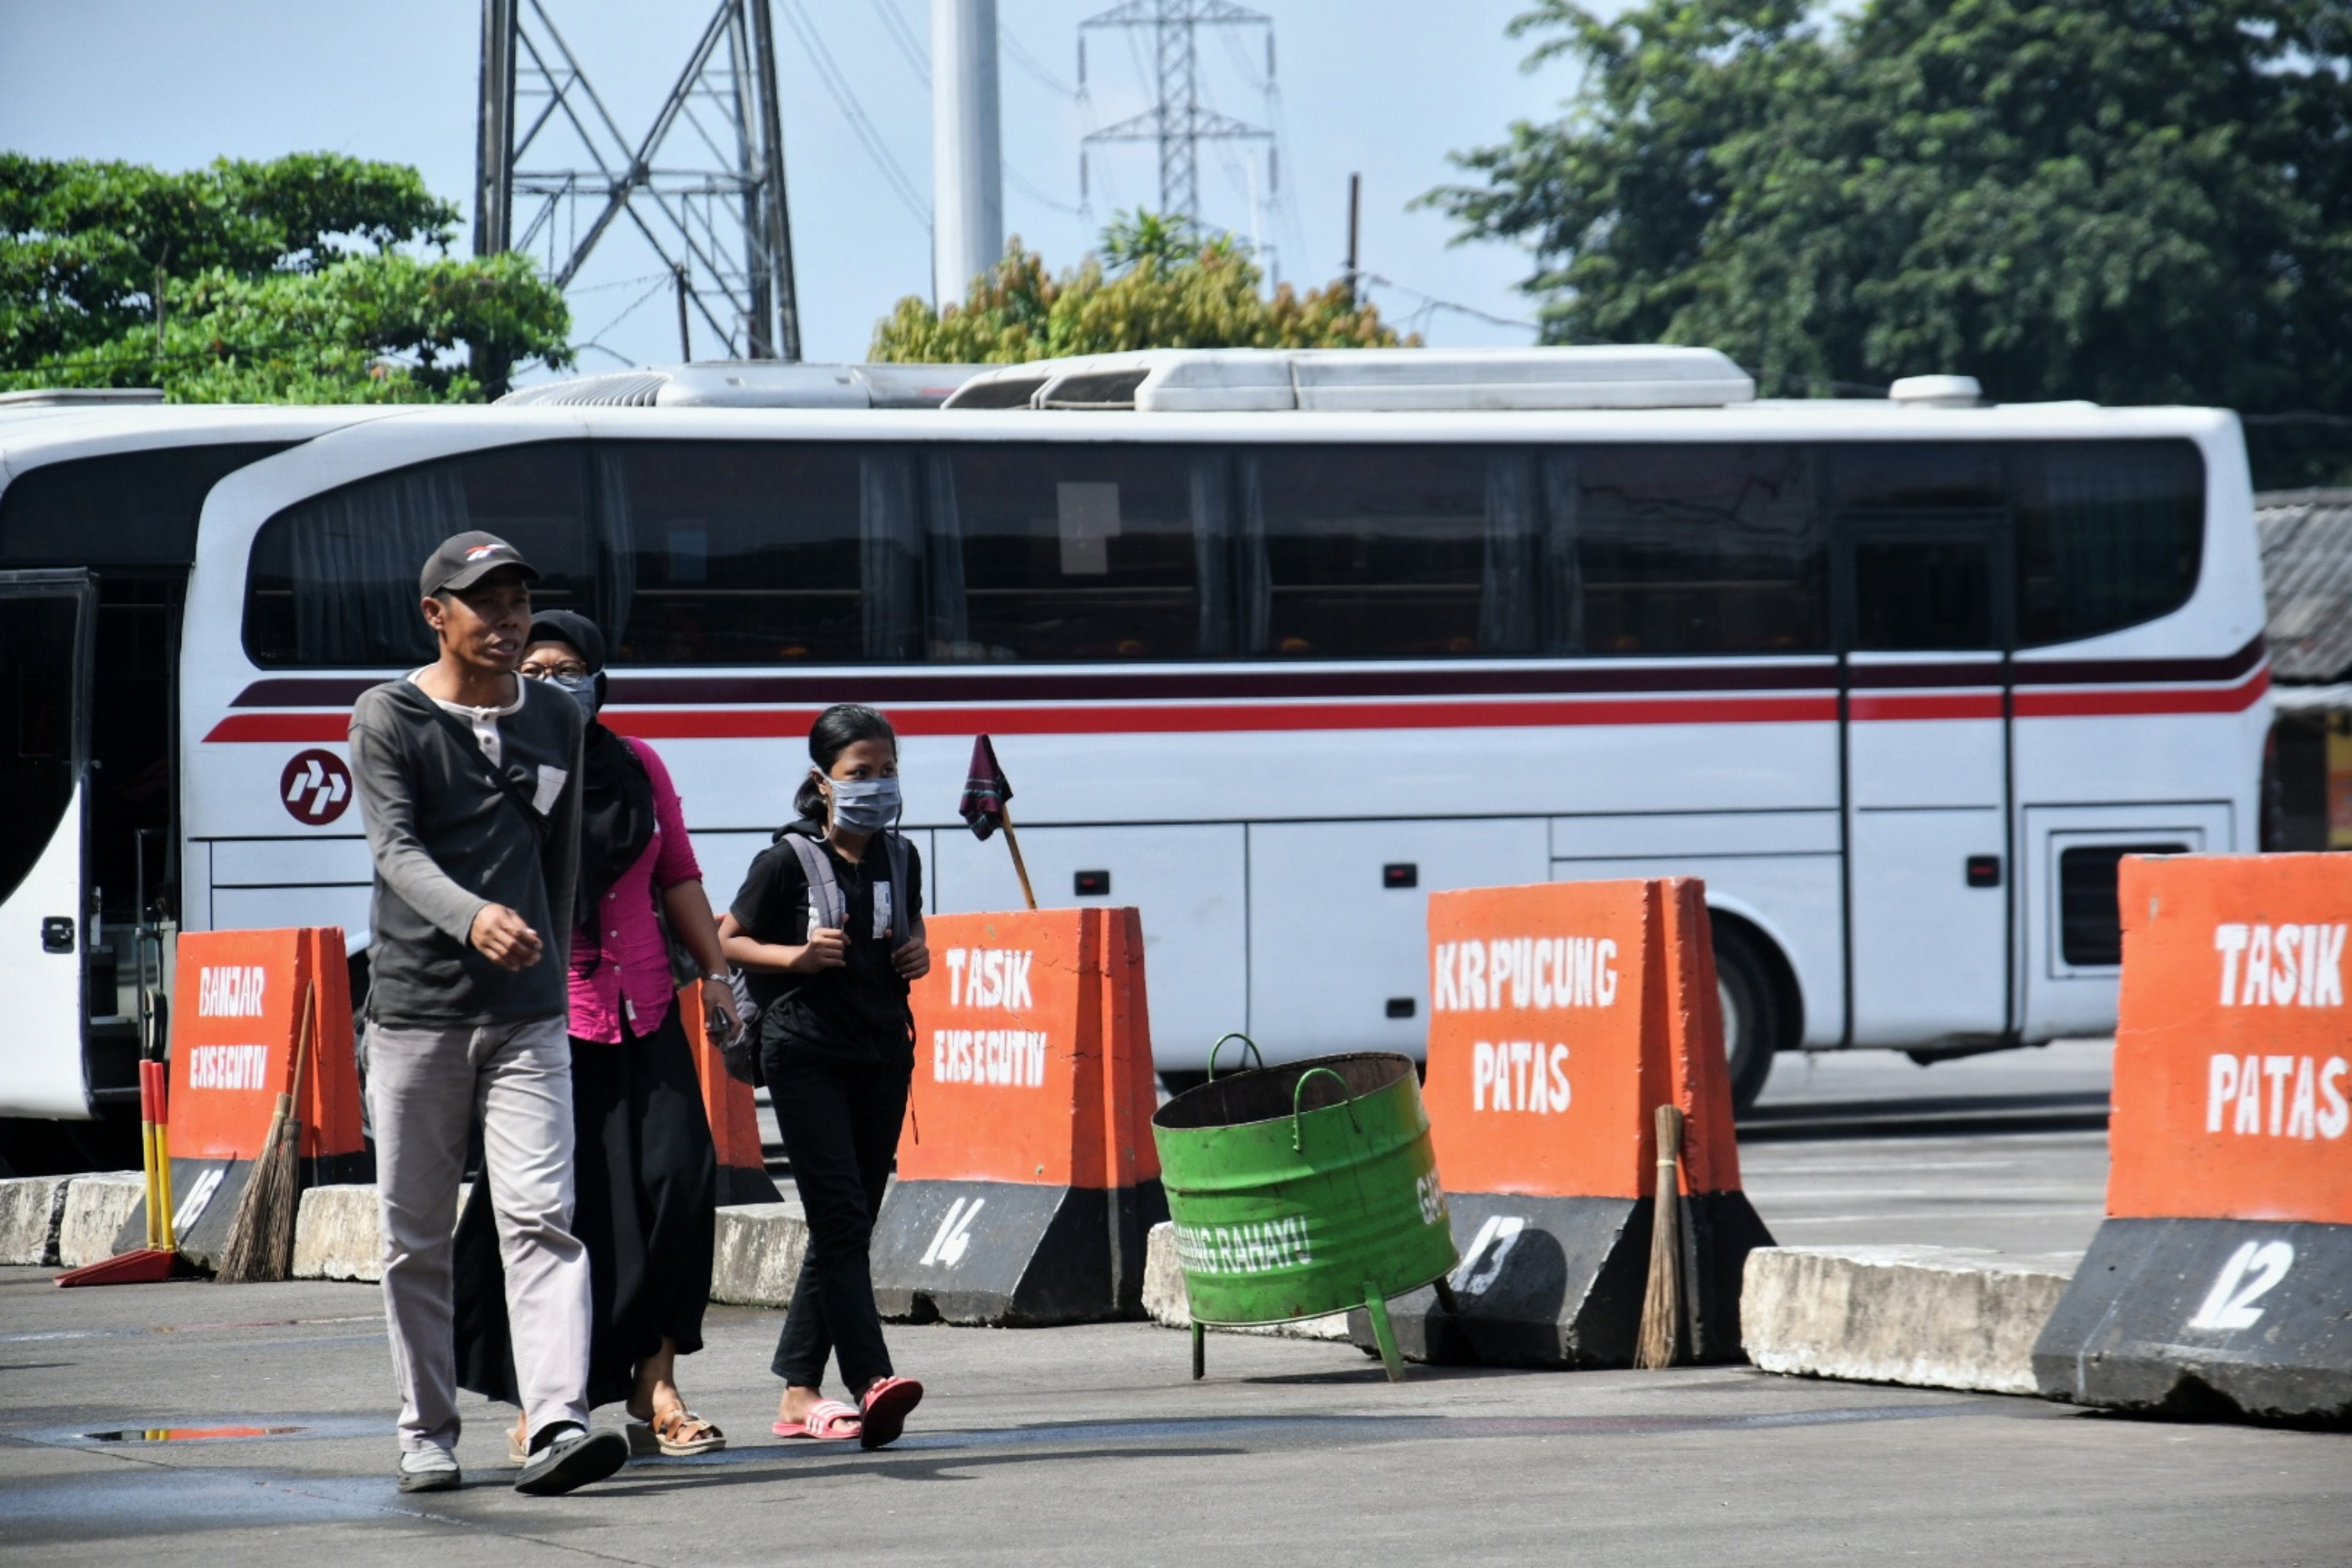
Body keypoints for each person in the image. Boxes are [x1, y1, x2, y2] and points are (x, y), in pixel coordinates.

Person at [347, 532, 629, 1496]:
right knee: (415, 1233)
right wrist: (475, 918)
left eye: (518, 603)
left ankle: (556, 1418)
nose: (509, 622)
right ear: (437, 614)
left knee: (544, 1215)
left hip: (527, 1014)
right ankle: (426, 1428)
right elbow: (394, 849)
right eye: (486, 604)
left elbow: (560, 854)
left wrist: (544, 946)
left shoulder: (557, 717)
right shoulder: (387, 714)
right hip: (417, 1013)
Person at [451, 609, 739, 1462]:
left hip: (645, 1009)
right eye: (533, 666)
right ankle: (552, 1398)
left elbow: (679, 873)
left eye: (568, 666)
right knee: (561, 1209)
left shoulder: (638, 762)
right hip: (548, 1019)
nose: (551, 680)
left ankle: (657, 1388)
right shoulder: (498, 763)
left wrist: (716, 971)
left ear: (598, 678)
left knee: (678, 1187)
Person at [719, 703, 930, 1449]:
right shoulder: (786, 860)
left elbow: (910, 928)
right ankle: (872, 1380)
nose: (875, 786)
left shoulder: (900, 858)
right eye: (858, 774)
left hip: (881, 1052)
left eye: (886, 772)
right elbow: (728, 940)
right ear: (823, 781)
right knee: (840, 1217)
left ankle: (798, 1391)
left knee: (850, 1221)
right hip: (803, 1051)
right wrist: (796, 959)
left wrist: (918, 951)